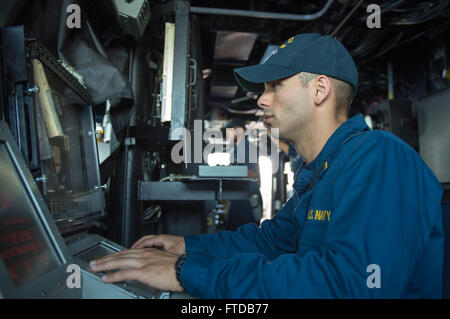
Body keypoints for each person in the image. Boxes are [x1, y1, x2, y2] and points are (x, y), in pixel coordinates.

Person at [89, 33, 444, 298]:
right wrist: (188, 248)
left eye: (276, 85)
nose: (261, 99)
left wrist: (189, 273)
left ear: (319, 89)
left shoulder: (378, 158)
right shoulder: (320, 171)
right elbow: (271, 243)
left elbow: (349, 285)